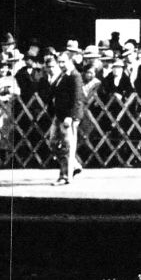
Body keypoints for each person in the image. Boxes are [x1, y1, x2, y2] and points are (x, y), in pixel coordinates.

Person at [51, 49, 85, 185]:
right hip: (58, 114)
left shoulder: (75, 76)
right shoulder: (62, 75)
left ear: (70, 61)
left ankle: (65, 175)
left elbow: (77, 98)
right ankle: (74, 165)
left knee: (67, 146)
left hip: (68, 117)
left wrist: (70, 116)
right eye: (59, 62)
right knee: (52, 142)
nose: (61, 64)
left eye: (63, 62)